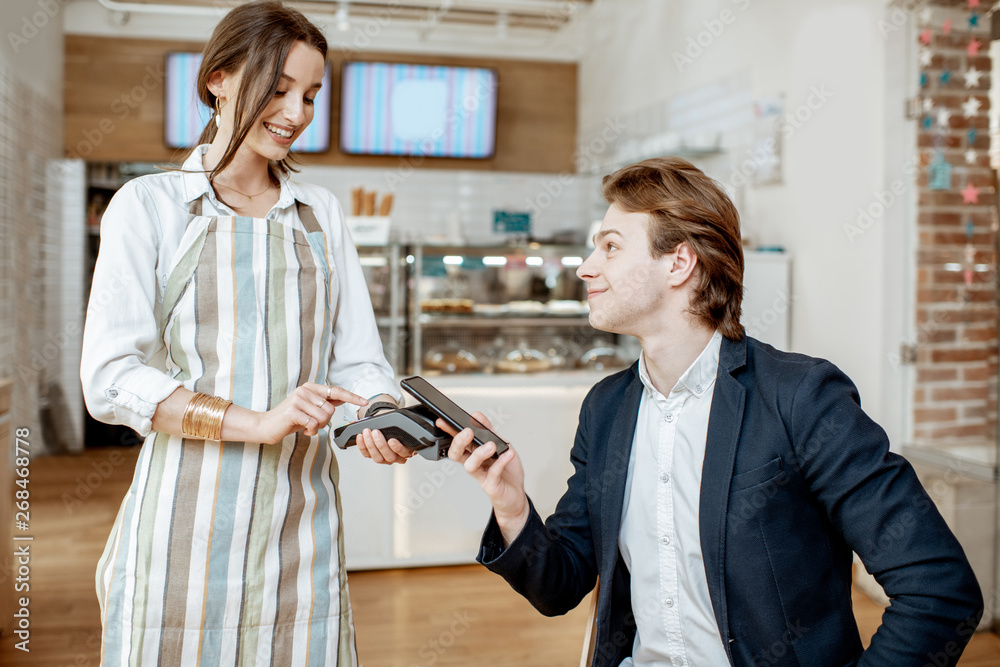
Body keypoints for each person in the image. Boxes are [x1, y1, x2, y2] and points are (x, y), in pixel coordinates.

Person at [444, 157, 984, 666]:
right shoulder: (606, 409)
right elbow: (558, 587)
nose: (586, 268)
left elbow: (939, 590)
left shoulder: (801, 396)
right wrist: (512, 506)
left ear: (679, 261)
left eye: (610, 247)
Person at [80, 2, 411, 664]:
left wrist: (383, 412)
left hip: (303, 520)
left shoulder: (320, 213)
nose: (297, 112)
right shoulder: (149, 206)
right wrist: (257, 422)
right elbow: (110, 378)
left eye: (311, 95)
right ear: (218, 80)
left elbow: (361, 361)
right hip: (184, 523)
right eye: (279, 87)